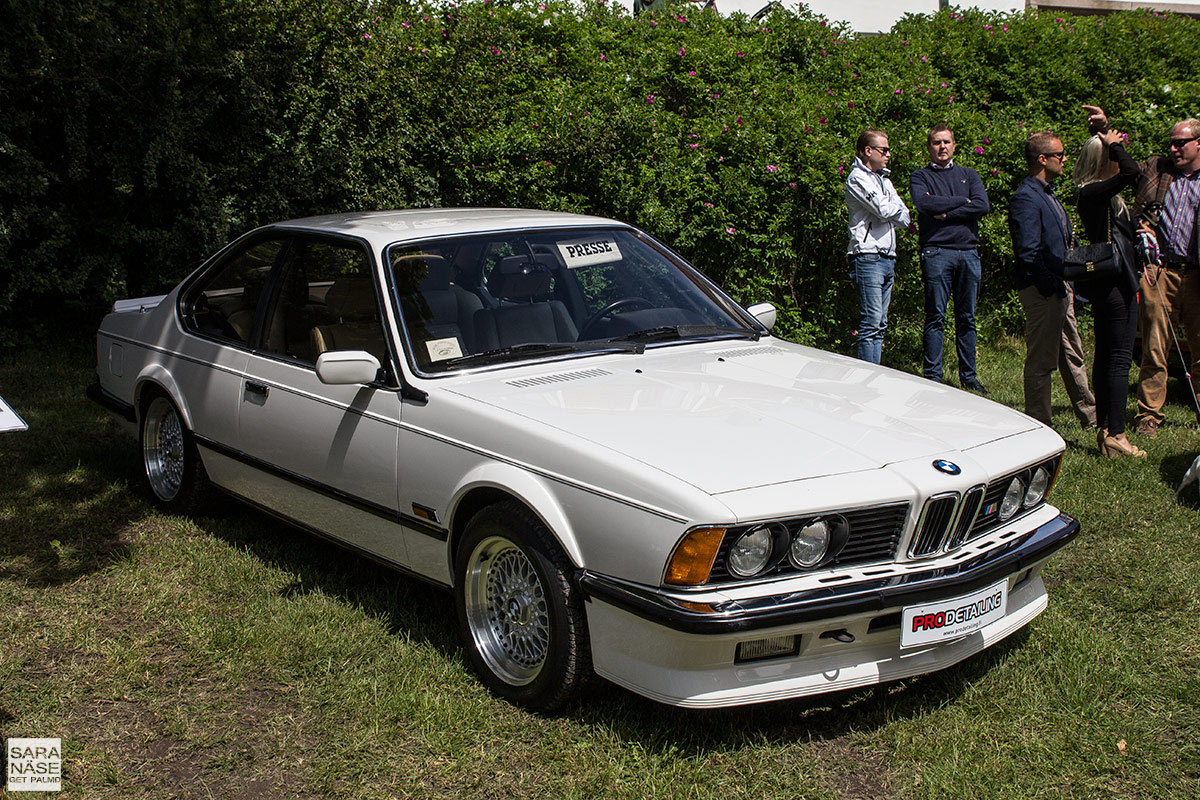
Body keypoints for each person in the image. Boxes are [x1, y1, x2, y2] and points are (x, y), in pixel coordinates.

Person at [1086, 106, 1200, 437]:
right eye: (1172, 143)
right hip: (1158, 269)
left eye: (1181, 143)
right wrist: (1106, 130)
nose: (1174, 149)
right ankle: (1149, 415)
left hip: (1196, 274)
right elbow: (1129, 168)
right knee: (1154, 345)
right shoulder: (1160, 170)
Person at [1008, 132, 1098, 429]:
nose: (1065, 159)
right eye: (1060, 155)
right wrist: (1047, 286)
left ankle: (1091, 416)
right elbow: (1028, 251)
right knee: (1042, 360)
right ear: (1042, 159)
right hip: (1043, 290)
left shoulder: (1047, 193)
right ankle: (1039, 423)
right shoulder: (1025, 197)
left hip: (1060, 288)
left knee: (1072, 353)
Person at [1073, 127, 1146, 457]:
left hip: (1107, 283)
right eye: (1112, 155)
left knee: (1106, 357)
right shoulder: (1096, 193)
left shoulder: (1096, 195)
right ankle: (1117, 434)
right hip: (1116, 284)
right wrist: (1115, 144)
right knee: (1118, 360)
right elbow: (1134, 172)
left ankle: (1106, 428)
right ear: (1104, 160)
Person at [909, 125, 991, 392]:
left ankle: (969, 377)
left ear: (954, 145)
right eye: (936, 143)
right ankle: (932, 376)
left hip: (968, 252)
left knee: (966, 317)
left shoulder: (969, 175)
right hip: (937, 252)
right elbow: (924, 204)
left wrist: (946, 212)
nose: (942, 147)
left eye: (946, 142)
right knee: (935, 316)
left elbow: (982, 205)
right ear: (929, 147)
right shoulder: (920, 176)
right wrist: (962, 202)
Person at [845, 129, 911, 364]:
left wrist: (891, 209)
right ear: (868, 151)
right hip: (868, 256)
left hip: (887, 257)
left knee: (881, 324)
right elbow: (885, 210)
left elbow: (906, 218)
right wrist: (892, 209)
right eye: (884, 150)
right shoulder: (856, 178)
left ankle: (875, 374)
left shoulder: (885, 180)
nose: (888, 155)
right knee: (871, 321)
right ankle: (867, 374)